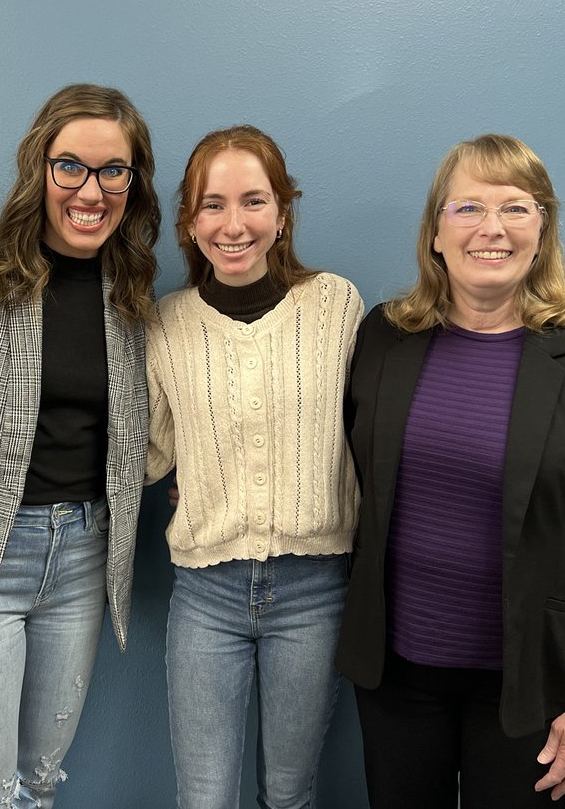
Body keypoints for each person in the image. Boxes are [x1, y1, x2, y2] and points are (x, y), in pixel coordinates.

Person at [335, 134, 565, 808]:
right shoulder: (384, 337)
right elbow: (341, 468)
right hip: (396, 680)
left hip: (533, 690)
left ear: (542, 230)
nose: (492, 229)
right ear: (436, 232)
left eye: (516, 208)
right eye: (467, 208)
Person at [0, 84, 160, 808]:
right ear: (39, 169)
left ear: (133, 182)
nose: (92, 189)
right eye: (71, 167)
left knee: (40, 784)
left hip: (85, 554)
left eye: (113, 170)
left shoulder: (132, 289)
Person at [145, 126, 364, 809]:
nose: (232, 224)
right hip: (206, 592)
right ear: (188, 219)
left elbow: (371, 434)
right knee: (204, 797)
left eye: (253, 201)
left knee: (290, 792)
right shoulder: (166, 323)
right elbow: (150, 455)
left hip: (316, 587)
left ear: (282, 212)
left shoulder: (335, 305)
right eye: (212, 204)